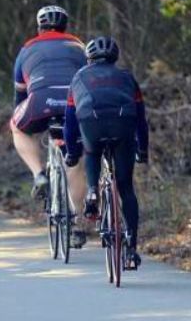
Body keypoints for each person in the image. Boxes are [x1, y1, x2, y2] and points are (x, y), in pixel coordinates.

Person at [62, 37, 149, 261]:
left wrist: (71, 152)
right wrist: (143, 149)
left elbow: (70, 121)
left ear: (89, 58)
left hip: (92, 124)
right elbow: (140, 118)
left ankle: (92, 191)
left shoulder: (78, 78)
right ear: (115, 58)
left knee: (92, 151)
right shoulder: (127, 78)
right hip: (123, 125)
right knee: (126, 188)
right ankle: (131, 247)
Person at [10, 5, 87, 203]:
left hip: (41, 102)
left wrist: (20, 112)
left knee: (16, 127)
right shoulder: (79, 46)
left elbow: (20, 94)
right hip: (74, 104)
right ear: (65, 26)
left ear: (39, 28)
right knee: (75, 162)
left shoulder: (27, 49)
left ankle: (39, 174)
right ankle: (78, 226)